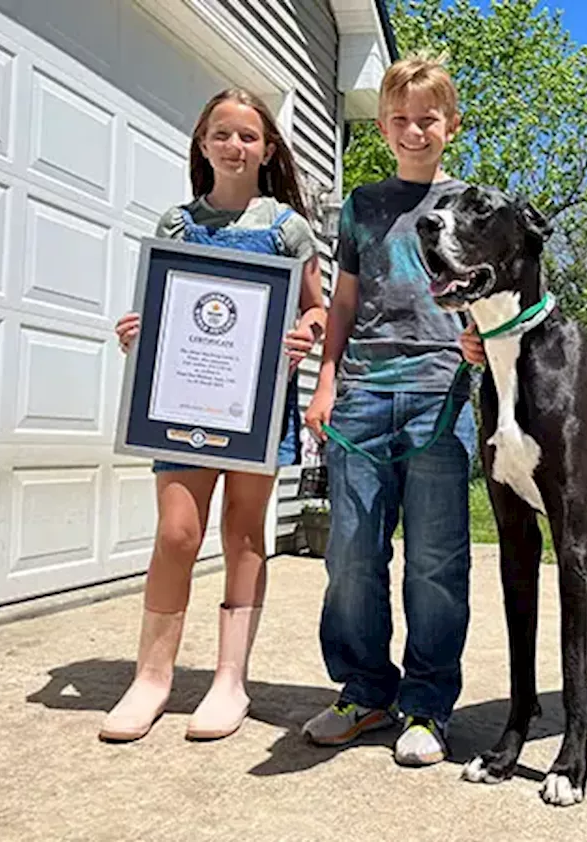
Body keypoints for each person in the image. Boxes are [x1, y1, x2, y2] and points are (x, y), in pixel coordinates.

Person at [99, 88, 326, 743]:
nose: (235, 146)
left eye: (248, 136)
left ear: (268, 149)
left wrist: (306, 333)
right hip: (180, 404)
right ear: (202, 144)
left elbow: (314, 307)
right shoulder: (176, 223)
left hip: (254, 407)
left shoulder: (286, 228)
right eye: (221, 134)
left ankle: (230, 681)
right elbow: (163, 310)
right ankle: (152, 678)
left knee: (244, 533)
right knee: (176, 534)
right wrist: (138, 333)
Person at [300, 54, 484, 766]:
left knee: (435, 560)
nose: (414, 131)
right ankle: (365, 689)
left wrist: (482, 342)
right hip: (363, 396)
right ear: (382, 127)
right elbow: (343, 302)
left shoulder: (471, 205)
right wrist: (326, 383)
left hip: (441, 394)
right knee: (351, 552)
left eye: (428, 119)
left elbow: (497, 295)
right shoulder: (361, 205)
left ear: (451, 125)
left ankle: (429, 705)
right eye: (401, 120)